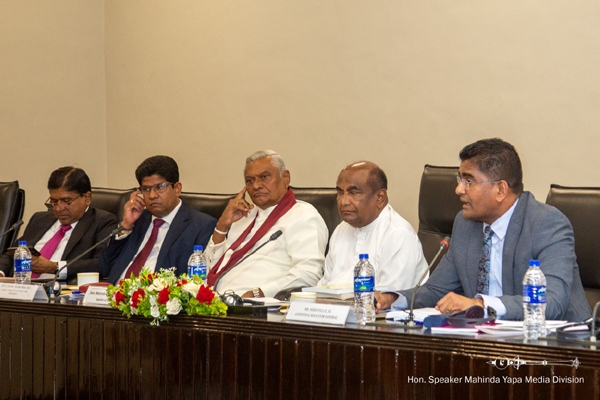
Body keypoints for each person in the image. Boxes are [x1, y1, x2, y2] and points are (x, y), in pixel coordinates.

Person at [377, 138, 591, 322]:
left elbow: (551, 302)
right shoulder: (465, 224)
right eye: (460, 179)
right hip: (487, 340)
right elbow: (436, 290)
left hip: (558, 344)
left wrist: (480, 304)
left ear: (500, 189)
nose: (458, 189)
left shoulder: (547, 224)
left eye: (469, 181)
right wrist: (392, 299)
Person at [205, 150, 328, 298]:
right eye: (250, 181)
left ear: (285, 178)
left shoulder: (303, 215)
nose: (256, 186)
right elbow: (209, 270)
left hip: (258, 306)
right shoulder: (243, 216)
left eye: (264, 177)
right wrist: (222, 226)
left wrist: (259, 293)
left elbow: (309, 274)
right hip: (216, 301)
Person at [99, 155, 216, 284]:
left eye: (160, 187)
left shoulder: (201, 226)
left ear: (177, 189)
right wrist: (125, 225)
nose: (152, 195)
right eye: (146, 189)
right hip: (113, 293)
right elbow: (105, 268)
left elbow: (195, 281)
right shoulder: (137, 221)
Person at [318, 161, 428, 292]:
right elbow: (324, 286)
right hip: (336, 304)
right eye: (340, 193)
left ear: (380, 198)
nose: (344, 201)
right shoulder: (341, 230)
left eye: (354, 193)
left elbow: (390, 297)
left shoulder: (398, 233)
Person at [0, 167, 118, 283]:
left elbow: (101, 264)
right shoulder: (39, 219)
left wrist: (54, 267)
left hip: (57, 291)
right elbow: (11, 255)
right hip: (16, 288)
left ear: (87, 198)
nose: (58, 208)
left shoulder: (102, 222)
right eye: (54, 201)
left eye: (66, 201)